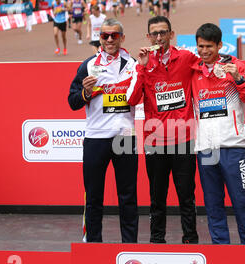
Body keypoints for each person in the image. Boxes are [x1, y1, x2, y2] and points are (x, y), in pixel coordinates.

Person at [190, 23, 245, 264]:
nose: (204, 51)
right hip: (205, 150)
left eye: (209, 47)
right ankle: (221, 251)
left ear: (219, 45)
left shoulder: (236, 67)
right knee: (213, 204)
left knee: (242, 201)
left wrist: (239, 78)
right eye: (200, 46)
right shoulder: (192, 70)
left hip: (233, 148)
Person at [127, 16, 200, 244]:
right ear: (148, 37)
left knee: (186, 197)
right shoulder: (144, 64)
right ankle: (157, 240)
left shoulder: (187, 58)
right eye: (154, 34)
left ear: (171, 34)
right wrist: (141, 67)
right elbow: (132, 99)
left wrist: (239, 68)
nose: (159, 37)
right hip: (155, 142)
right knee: (157, 198)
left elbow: (210, 63)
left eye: (163, 32)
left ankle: (190, 240)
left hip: (184, 139)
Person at [68, 18, 139, 243]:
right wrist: (86, 94)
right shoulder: (88, 65)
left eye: (114, 36)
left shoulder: (134, 64)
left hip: (125, 137)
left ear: (122, 38)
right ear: (100, 38)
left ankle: (130, 246)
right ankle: (93, 246)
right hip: (96, 138)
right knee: (94, 197)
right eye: (105, 36)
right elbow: (72, 101)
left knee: (128, 197)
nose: (110, 40)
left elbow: (140, 96)